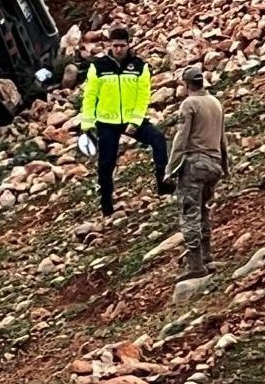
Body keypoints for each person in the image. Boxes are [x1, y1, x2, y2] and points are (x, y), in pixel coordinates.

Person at [80, 26, 171, 217]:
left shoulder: (139, 66)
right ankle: (106, 206)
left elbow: (143, 96)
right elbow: (90, 96)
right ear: (109, 46)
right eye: (115, 46)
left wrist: (135, 121)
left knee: (159, 140)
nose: (119, 49)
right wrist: (87, 125)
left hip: (132, 119)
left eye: (122, 45)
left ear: (129, 45)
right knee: (106, 163)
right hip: (106, 122)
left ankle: (164, 185)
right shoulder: (98, 67)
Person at [166, 65, 229, 281]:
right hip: (215, 164)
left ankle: (195, 264)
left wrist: (170, 169)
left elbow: (181, 139)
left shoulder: (189, 104)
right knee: (203, 211)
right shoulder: (215, 103)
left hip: (195, 165)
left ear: (186, 84)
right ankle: (207, 257)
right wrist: (225, 166)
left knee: (189, 213)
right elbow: (223, 138)